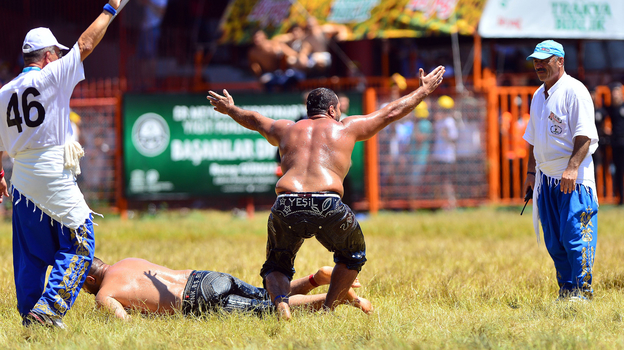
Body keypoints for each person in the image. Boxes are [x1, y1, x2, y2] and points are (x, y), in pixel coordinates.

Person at [207, 65, 445, 319]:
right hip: (327, 203)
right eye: (339, 109)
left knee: (277, 264)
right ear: (332, 110)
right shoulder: (345, 127)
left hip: (286, 202)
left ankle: (280, 304)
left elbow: (254, 120)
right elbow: (391, 112)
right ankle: (328, 310)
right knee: (352, 255)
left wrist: (231, 109)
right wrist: (423, 90)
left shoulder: (285, 128)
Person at [0, 1, 127, 328]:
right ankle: (49, 309)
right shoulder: (52, 75)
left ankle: (31, 318)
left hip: (22, 181)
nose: (60, 56)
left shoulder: (3, 94)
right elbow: (85, 45)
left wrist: (0, 175)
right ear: (47, 57)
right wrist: (110, 10)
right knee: (82, 244)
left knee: (29, 257)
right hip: (52, 174)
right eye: (57, 52)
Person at [522, 40, 599, 301]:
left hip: (573, 178)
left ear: (560, 61)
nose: (539, 65)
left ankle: (584, 292)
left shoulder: (574, 91)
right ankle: (567, 291)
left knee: (576, 235)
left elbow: (585, 135)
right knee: (554, 240)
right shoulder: (537, 95)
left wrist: (572, 168)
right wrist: (531, 174)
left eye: (545, 60)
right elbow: (532, 139)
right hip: (546, 178)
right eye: (536, 60)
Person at [83, 256, 372, 319]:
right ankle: (315, 279)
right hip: (206, 277)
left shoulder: (104, 294)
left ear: (90, 281)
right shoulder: (126, 261)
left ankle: (335, 298)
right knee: (265, 295)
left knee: (267, 311)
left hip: (195, 299)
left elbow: (125, 324)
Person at [430, 95, 458, 209]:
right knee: (438, 181)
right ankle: (440, 203)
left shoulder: (449, 122)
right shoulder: (439, 122)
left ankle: (451, 203)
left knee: (446, 181)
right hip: (438, 156)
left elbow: (453, 137)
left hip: (447, 157)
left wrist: (445, 134)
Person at [606, 82, 624, 205]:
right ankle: (620, 198)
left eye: (617, 92)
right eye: (614, 92)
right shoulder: (610, 109)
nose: (615, 94)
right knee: (618, 170)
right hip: (616, 143)